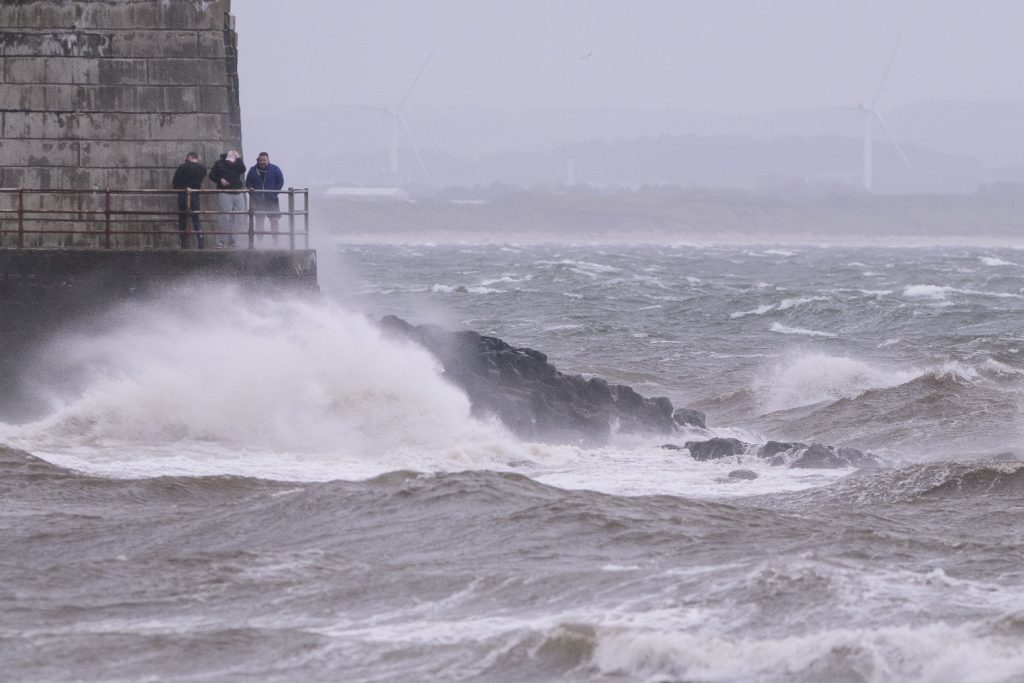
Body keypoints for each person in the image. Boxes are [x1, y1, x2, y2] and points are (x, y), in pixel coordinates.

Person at [245, 152, 285, 245]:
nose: (262, 162)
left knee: (274, 220)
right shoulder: (253, 170)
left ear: (268, 160)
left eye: (264, 160)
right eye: (260, 160)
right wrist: (251, 190)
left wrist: (275, 193)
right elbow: (248, 183)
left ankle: (276, 241)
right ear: (258, 160)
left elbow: (280, 181)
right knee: (259, 222)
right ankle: (259, 242)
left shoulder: (275, 169)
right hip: (258, 200)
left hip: (272, 200)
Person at [208, 149, 246, 247]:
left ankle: (234, 242)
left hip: (238, 192)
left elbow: (243, 169)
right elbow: (211, 176)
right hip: (224, 193)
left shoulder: (238, 163)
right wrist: (220, 180)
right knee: (224, 219)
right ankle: (221, 244)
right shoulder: (219, 164)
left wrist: (239, 158)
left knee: (239, 218)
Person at [171, 151, 207, 249]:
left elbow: (175, 181)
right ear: (196, 158)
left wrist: (179, 188)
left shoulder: (183, 167)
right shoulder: (203, 168)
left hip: (183, 194)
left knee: (182, 218)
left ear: (189, 157)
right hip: (195, 195)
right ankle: (200, 240)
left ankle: (183, 242)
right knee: (196, 219)